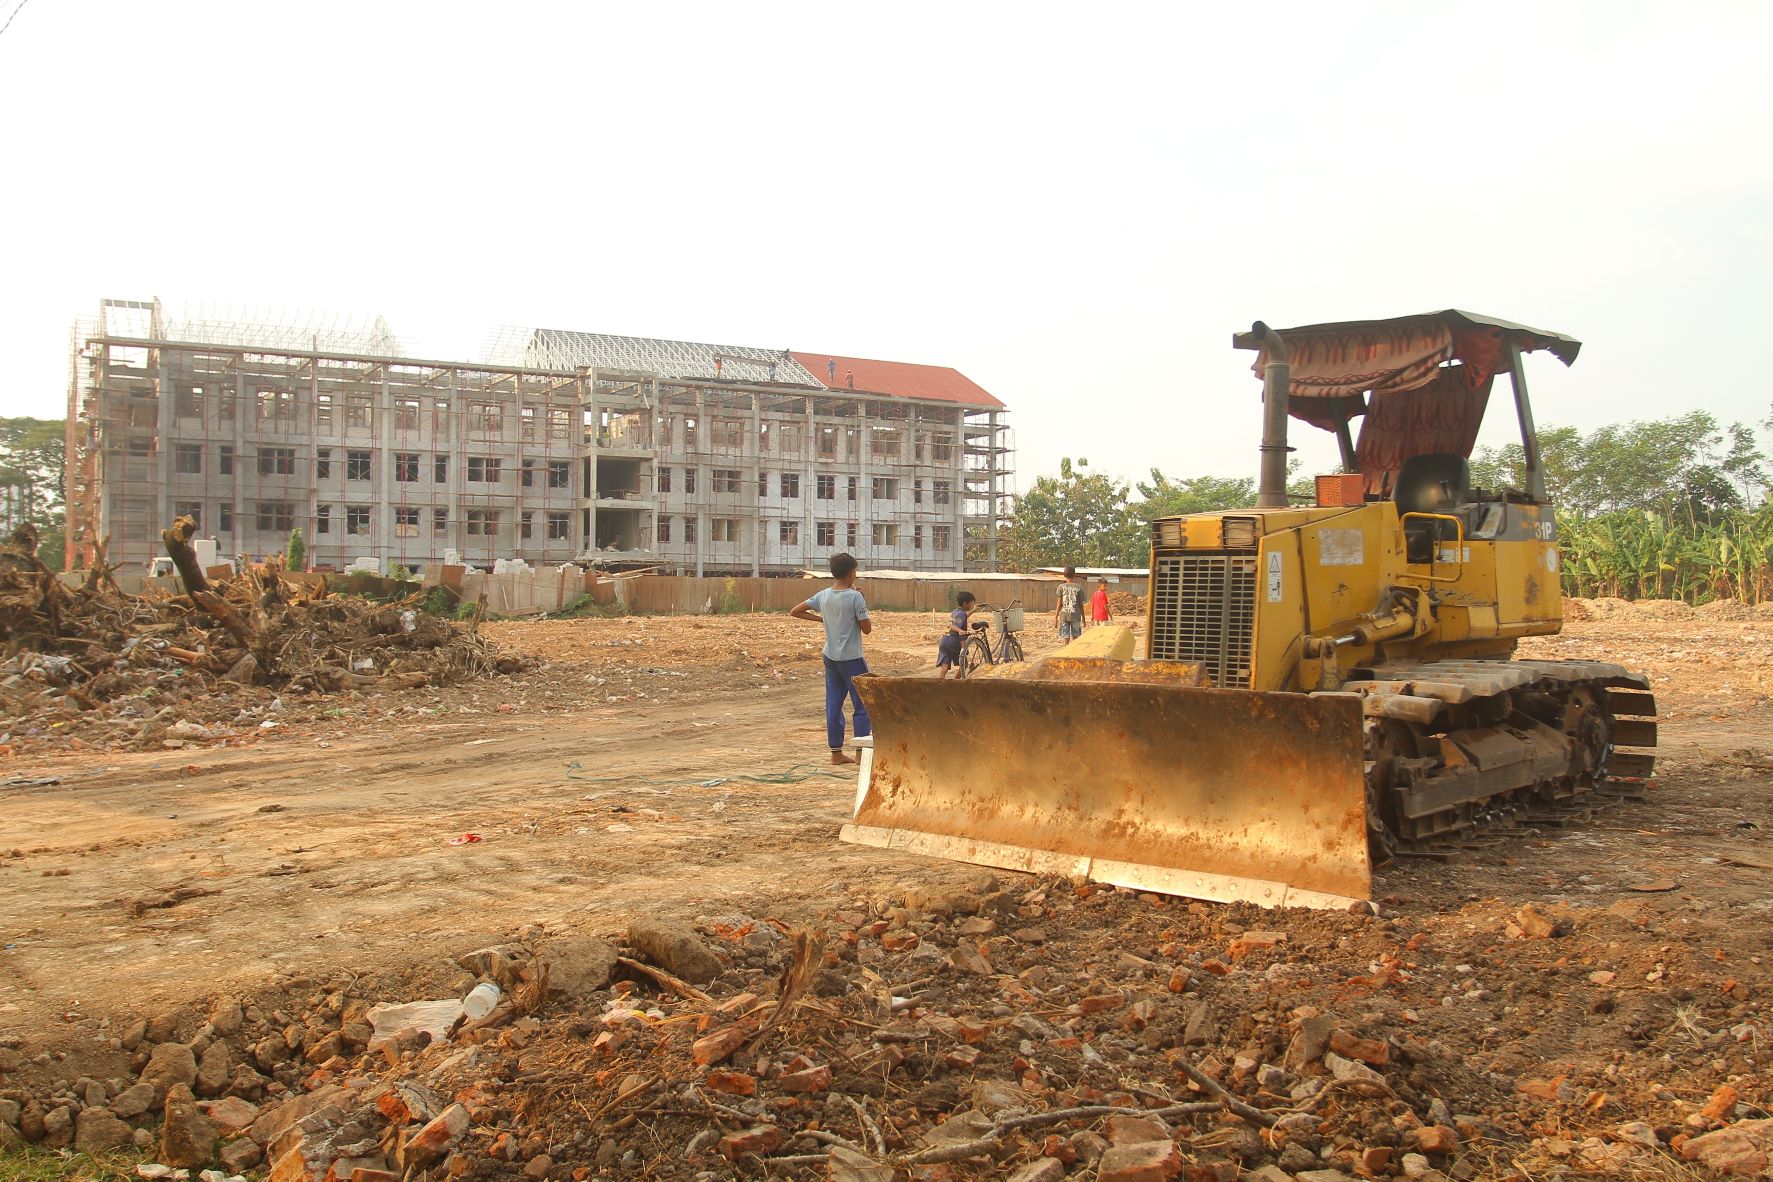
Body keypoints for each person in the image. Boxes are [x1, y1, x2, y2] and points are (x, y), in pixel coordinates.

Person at [789, 552, 873, 763]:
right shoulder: (855, 597)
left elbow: (795, 611)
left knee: (834, 703)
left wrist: (822, 620)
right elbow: (867, 629)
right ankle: (861, 753)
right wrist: (862, 602)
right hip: (852, 657)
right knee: (862, 705)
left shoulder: (823, 595)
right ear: (851, 573)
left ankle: (836, 753)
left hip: (830, 655)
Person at [938, 591, 976, 679]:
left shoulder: (956, 612)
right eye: (971, 603)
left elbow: (961, 618)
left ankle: (939, 685)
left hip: (944, 641)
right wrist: (960, 630)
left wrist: (973, 611)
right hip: (954, 641)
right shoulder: (961, 614)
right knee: (964, 665)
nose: (971, 605)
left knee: (945, 666)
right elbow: (952, 626)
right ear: (965, 603)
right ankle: (955, 683)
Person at [1054, 566, 1084, 642]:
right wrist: (1083, 617)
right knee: (1076, 636)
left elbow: (1059, 603)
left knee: (1066, 636)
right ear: (1074, 575)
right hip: (1075, 615)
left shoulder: (1061, 587)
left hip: (1064, 615)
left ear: (1064, 575)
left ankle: (1066, 650)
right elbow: (1081, 605)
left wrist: (1056, 616)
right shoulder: (1079, 587)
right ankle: (1074, 651)